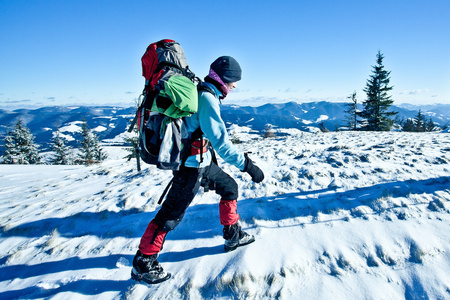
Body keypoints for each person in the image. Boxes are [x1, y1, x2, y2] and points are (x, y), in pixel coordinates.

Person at [131, 56, 265, 284]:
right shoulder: (206, 98)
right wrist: (248, 165)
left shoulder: (206, 93)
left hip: (203, 163)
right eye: (233, 81)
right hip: (191, 169)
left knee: (229, 188)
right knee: (171, 214)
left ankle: (232, 235)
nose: (234, 86)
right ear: (224, 79)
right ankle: (144, 262)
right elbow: (222, 143)